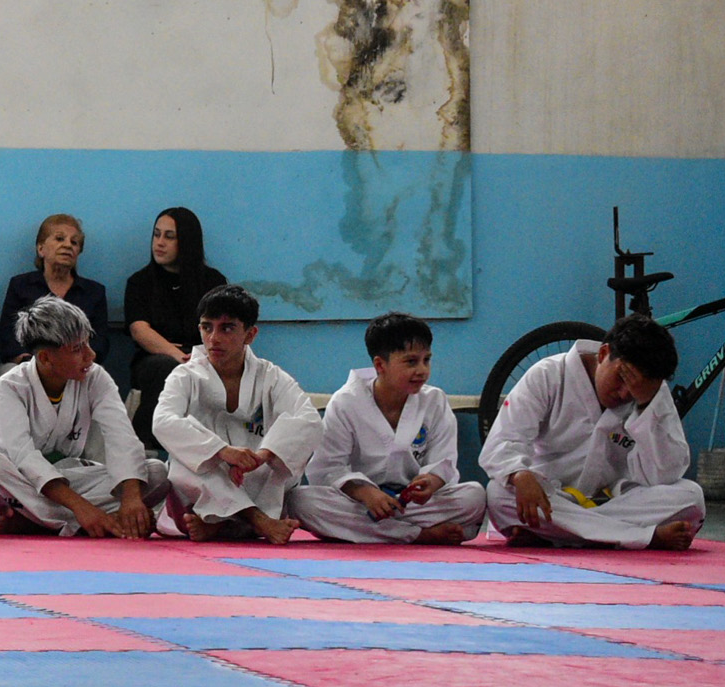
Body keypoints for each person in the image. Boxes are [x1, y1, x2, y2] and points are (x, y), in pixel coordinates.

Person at [480, 314, 704, 550]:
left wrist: (646, 405)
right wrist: (519, 474)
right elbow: (502, 441)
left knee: (691, 497)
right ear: (603, 353)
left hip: (616, 500)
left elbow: (666, 473)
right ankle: (641, 536)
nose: (624, 393)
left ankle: (560, 534)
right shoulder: (548, 374)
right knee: (498, 494)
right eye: (621, 378)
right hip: (551, 497)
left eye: (634, 389)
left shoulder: (652, 393)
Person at [0, 297, 167, 537]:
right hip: (19, 481)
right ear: (45, 358)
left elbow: (122, 436)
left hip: (69, 477)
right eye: (77, 349)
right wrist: (82, 508)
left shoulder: (96, 377)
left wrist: (131, 499)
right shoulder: (9, 387)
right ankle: (90, 520)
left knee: (156, 472)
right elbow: (23, 456)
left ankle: (40, 522)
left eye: (88, 343)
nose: (91, 355)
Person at [291, 313, 487, 545]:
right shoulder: (345, 402)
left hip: (412, 504)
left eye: (426, 360)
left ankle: (379, 532)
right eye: (411, 362)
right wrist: (365, 493)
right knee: (300, 501)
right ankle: (418, 535)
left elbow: (443, 460)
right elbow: (328, 468)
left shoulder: (434, 400)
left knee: (474, 496)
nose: (422, 370)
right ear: (380, 365)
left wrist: (431, 481)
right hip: (362, 503)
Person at [153, 285, 320, 544]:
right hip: (205, 485)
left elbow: (308, 419)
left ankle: (220, 524)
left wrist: (262, 456)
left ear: (250, 334)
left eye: (227, 328)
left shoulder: (272, 377)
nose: (213, 338)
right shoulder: (185, 375)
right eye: (207, 327)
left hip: (253, 476)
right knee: (184, 464)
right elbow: (163, 422)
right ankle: (256, 521)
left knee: (281, 466)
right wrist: (222, 451)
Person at [124, 207, 226, 448]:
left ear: (187, 242)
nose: (159, 243)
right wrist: (178, 356)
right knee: (164, 369)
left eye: (169, 237)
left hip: (205, 357)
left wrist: (197, 357)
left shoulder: (213, 282)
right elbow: (140, 330)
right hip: (155, 359)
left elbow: (221, 329)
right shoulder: (140, 282)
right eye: (156, 234)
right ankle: (147, 447)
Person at [0, 214, 109, 364]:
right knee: (8, 372)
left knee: (98, 375)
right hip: (28, 364)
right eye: (59, 239)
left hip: (77, 366)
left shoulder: (94, 292)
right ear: (41, 249)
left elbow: (100, 342)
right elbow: (8, 336)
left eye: (74, 242)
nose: (68, 245)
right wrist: (31, 363)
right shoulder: (20, 285)